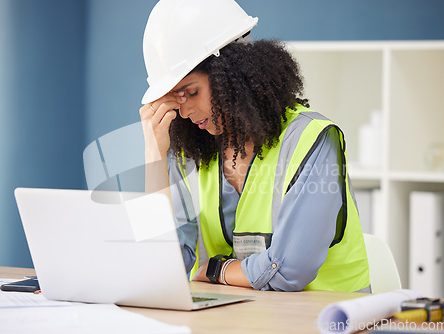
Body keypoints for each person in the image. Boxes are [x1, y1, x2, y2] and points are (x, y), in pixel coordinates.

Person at [139, 0, 370, 292]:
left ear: (232, 73)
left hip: (330, 319)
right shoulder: (193, 149)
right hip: (245, 319)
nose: (184, 112)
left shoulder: (311, 139)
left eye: (191, 92)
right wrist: (154, 157)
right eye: (175, 98)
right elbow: (160, 266)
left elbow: (289, 271)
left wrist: (216, 269)